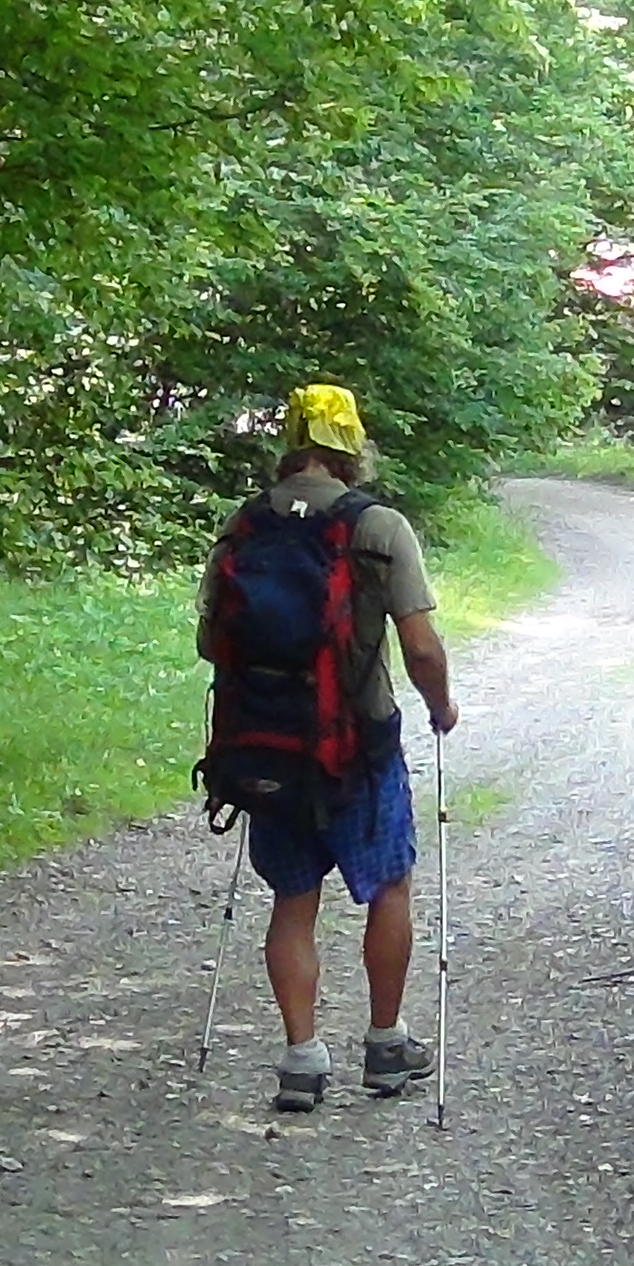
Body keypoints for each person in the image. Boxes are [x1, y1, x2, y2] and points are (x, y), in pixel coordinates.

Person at [197, 384, 459, 1113]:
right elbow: (421, 647)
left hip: (268, 747)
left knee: (293, 900)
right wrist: (440, 707)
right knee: (389, 887)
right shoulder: (378, 527)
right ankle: (385, 1045)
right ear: (352, 447)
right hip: (358, 747)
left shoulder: (243, 525)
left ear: (290, 443)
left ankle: (301, 1059)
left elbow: (209, 641)